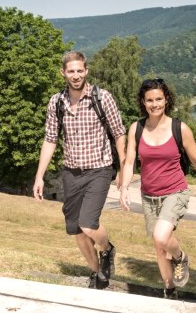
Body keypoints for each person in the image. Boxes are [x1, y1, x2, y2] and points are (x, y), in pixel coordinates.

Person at [33, 51, 126, 290]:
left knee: (88, 223)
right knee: (77, 231)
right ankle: (98, 276)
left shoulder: (102, 98)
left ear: (86, 71)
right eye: (71, 71)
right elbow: (50, 139)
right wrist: (39, 176)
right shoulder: (56, 102)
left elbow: (119, 133)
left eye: (79, 70)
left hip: (99, 169)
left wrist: (125, 168)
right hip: (71, 172)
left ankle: (107, 249)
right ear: (63, 73)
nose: (76, 75)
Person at [120, 78, 196, 299]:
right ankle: (169, 289)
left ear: (166, 100)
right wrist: (124, 188)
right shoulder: (136, 128)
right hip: (149, 196)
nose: (155, 104)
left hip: (175, 192)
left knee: (161, 237)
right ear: (143, 103)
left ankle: (181, 257)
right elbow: (129, 162)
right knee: (158, 246)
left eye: (159, 99)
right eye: (150, 100)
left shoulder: (179, 128)